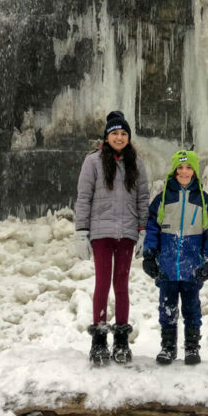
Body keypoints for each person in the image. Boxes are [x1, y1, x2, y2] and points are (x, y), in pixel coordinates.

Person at [74, 110, 149, 366]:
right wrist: (81, 231)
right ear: (107, 137)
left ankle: (121, 339)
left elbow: (142, 199)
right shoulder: (93, 162)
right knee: (102, 283)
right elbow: (84, 198)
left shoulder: (136, 164)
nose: (119, 137)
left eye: (124, 133)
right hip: (101, 233)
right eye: (115, 133)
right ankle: (98, 340)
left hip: (127, 233)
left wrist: (143, 230)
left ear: (128, 137)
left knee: (122, 286)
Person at [142, 148, 208, 366]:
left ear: (195, 171)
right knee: (167, 308)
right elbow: (152, 228)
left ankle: (192, 347)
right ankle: (168, 347)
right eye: (180, 168)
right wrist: (149, 254)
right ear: (174, 171)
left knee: (192, 308)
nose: (184, 172)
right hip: (167, 265)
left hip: (192, 265)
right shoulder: (162, 199)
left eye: (189, 168)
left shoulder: (205, 201)